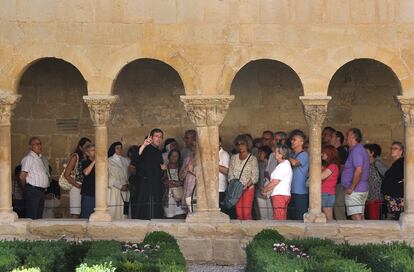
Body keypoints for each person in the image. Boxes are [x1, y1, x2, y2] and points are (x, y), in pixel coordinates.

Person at [132, 128, 165, 219]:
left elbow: (158, 171)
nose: (159, 138)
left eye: (161, 137)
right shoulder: (144, 148)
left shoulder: (158, 152)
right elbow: (135, 159)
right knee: (143, 210)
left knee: (155, 210)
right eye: (156, 136)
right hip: (144, 185)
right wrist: (143, 145)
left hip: (155, 186)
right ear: (151, 137)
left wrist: (162, 169)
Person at [228, 134, 259, 220]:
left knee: (247, 212)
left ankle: (248, 232)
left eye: (243, 144)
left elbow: (255, 176)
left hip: (248, 189)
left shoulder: (253, 159)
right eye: (238, 144)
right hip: (236, 189)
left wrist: (246, 186)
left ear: (247, 145)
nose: (240, 146)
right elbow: (230, 173)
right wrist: (234, 184)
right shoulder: (234, 158)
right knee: (238, 213)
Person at [341, 128, 369, 221]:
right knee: (360, 215)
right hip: (360, 188)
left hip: (355, 190)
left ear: (353, 137)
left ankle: (360, 235)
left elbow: (359, 170)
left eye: (347, 136)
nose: (346, 138)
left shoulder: (356, 150)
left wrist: (351, 187)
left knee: (355, 215)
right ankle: (364, 235)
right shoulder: (358, 149)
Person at [19, 137, 50, 219]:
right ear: (30, 146)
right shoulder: (29, 158)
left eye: (40, 143)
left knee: (38, 217)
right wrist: (25, 190)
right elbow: (22, 176)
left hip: (40, 191)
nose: (39, 146)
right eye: (36, 144)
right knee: (32, 217)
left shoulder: (39, 158)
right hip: (32, 190)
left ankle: (37, 232)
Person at [261, 144, 292, 220]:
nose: (274, 154)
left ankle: (279, 232)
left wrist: (265, 189)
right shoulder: (284, 164)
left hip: (280, 195)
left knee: (279, 218)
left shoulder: (283, 166)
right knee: (281, 216)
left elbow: (275, 181)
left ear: (281, 154)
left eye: (276, 152)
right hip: (282, 194)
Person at [64, 137, 91, 218]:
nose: (88, 147)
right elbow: (66, 174)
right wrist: (77, 185)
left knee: (85, 211)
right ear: (80, 147)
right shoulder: (75, 157)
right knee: (76, 212)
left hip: (86, 187)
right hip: (77, 186)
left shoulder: (88, 157)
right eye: (86, 146)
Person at [287, 130, 309, 220]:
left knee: (300, 217)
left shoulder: (304, 154)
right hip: (291, 190)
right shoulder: (292, 154)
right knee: (292, 217)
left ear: (301, 142)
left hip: (300, 191)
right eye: (292, 139)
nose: (292, 141)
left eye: (294, 140)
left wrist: (285, 155)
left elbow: (295, 163)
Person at [382, 141, 404, 220]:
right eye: (392, 148)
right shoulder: (396, 163)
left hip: (397, 197)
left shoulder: (402, 162)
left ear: (401, 151)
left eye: (395, 148)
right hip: (393, 197)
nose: (392, 150)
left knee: (397, 217)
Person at [364, 144, 387, 220]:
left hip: (376, 197)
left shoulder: (377, 163)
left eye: (365, 151)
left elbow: (387, 175)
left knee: (375, 220)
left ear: (372, 153)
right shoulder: (366, 165)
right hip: (367, 197)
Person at [107, 142, 130, 220]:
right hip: (114, 189)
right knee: (114, 211)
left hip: (125, 189)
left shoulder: (125, 160)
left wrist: (127, 185)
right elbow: (108, 177)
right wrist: (120, 186)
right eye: (117, 148)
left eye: (121, 148)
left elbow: (128, 174)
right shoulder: (108, 161)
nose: (120, 149)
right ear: (113, 149)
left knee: (124, 212)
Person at [163, 149, 186, 218]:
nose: (174, 157)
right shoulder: (165, 167)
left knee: (180, 215)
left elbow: (184, 179)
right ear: (169, 156)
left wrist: (178, 183)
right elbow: (161, 180)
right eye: (172, 156)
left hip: (179, 195)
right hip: (168, 196)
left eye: (176, 156)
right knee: (169, 215)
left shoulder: (181, 167)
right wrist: (167, 183)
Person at [331, 130, 348, 220]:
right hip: (334, 183)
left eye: (332, 136)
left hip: (339, 183)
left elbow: (342, 168)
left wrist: (334, 178)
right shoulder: (334, 151)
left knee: (338, 206)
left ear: (338, 138)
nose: (330, 138)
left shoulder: (342, 152)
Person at [321, 145, 340, 221]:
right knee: (329, 216)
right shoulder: (330, 166)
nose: (322, 154)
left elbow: (320, 176)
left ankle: (330, 231)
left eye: (324, 153)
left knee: (327, 216)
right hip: (329, 192)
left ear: (329, 154)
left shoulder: (332, 166)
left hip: (326, 192)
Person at [255, 146, 273, 220]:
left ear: (266, 154)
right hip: (260, 191)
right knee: (263, 214)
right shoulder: (258, 164)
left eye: (261, 153)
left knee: (271, 214)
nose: (259, 155)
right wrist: (260, 187)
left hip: (271, 191)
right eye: (259, 153)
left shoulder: (272, 163)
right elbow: (256, 178)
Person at [80, 143, 96, 219]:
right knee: (86, 217)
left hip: (98, 194)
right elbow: (86, 172)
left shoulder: (99, 163)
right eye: (93, 150)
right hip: (88, 193)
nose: (95, 151)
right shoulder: (85, 162)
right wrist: (94, 161)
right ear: (87, 153)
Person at [180, 140, 197, 213]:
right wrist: (186, 169)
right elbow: (181, 176)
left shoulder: (204, 159)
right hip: (188, 187)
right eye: (192, 146)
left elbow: (206, 176)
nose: (193, 148)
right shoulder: (187, 158)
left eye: (196, 146)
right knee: (188, 211)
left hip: (197, 188)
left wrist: (191, 171)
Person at [219, 137, 230, 204]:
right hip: (210, 188)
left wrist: (214, 165)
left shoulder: (224, 154)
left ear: (219, 143)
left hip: (220, 187)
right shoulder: (208, 153)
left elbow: (227, 171)